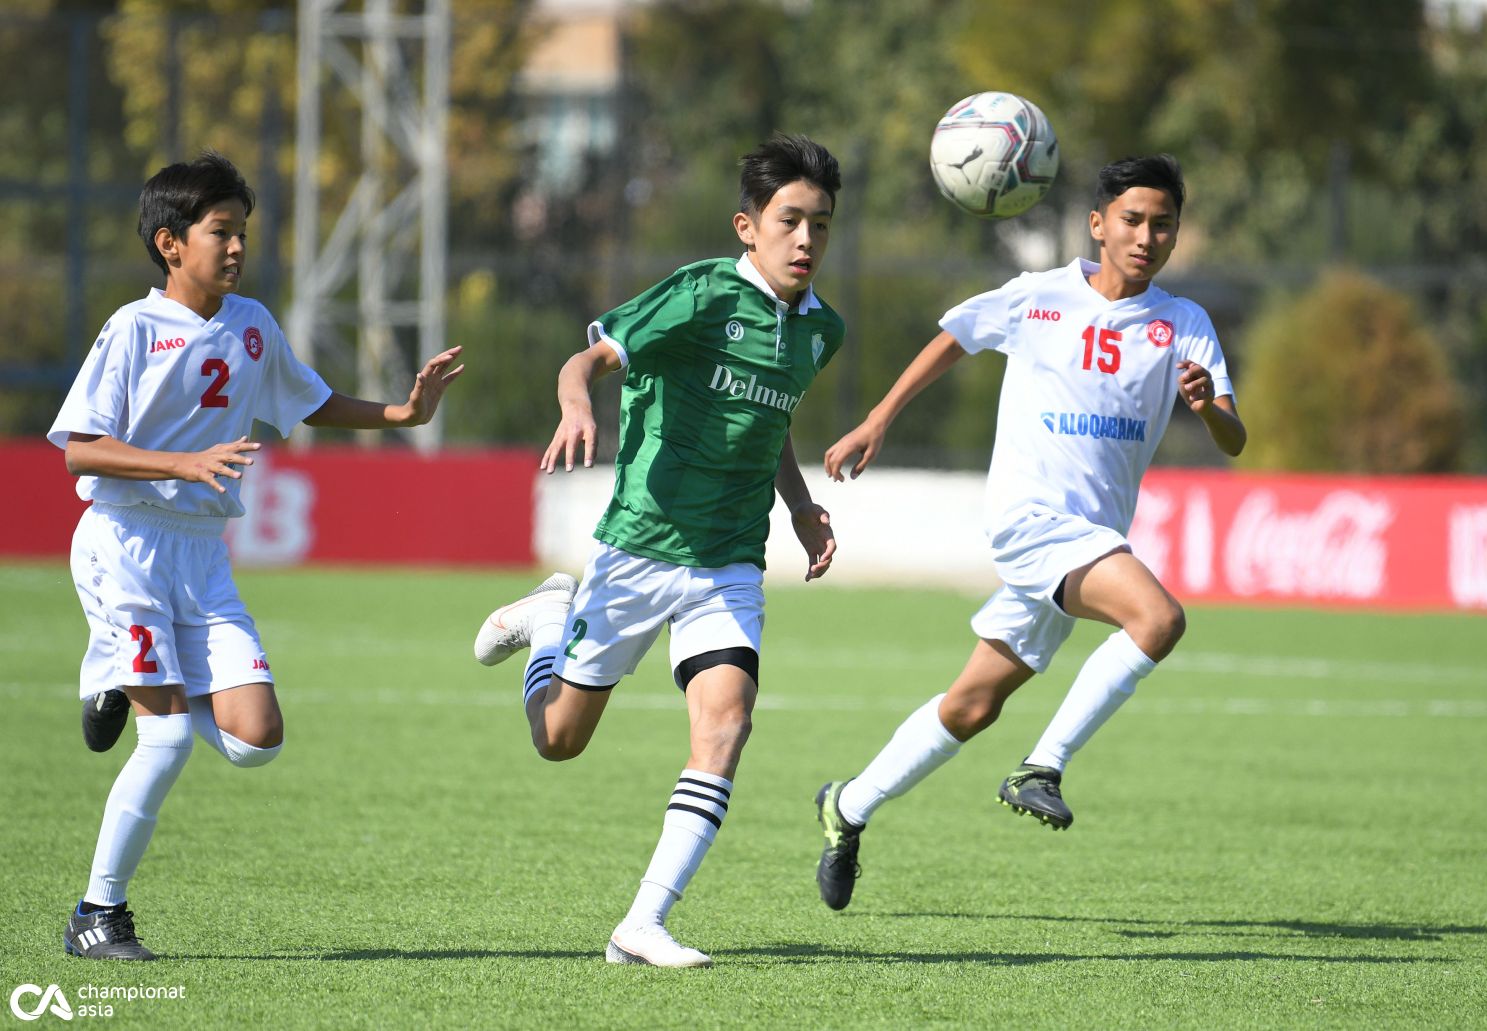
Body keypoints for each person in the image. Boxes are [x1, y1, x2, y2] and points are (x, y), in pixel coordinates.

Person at [49, 152, 464, 959]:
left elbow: (307, 400)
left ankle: (111, 671)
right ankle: (97, 914)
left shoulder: (252, 324)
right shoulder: (131, 329)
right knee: (164, 742)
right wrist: (182, 463)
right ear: (170, 243)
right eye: (221, 232)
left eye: (242, 231)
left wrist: (405, 412)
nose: (237, 247)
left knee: (255, 738)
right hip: (125, 543)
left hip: (202, 556)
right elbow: (80, 451)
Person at [812, 154, 1246, 910]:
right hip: (1029, 522)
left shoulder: (1184, 323)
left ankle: (847, 806)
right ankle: (1042, 765)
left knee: (971, 705)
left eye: (1163, 223)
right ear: (1098, 225)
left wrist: (1208, 406)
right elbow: (955, 336)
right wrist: (879, 418)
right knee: (1159, 617)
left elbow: (1236, 439)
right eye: (1133, 219)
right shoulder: (1038, 296)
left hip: (1087, 539)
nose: (1147, 235)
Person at [473, 132, 843, 967]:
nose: (806, 241)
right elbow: (587, 359)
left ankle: (641, 923)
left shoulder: (822, 331)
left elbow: (771, 422)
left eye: (821, 224)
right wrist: (576, 405)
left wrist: (801, 507)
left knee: (728, 722)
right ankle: (549, 618)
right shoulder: (700, 295)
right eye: (790, 221)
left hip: (728, 561)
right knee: (559, 739)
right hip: (638, 548)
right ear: (748, 227)